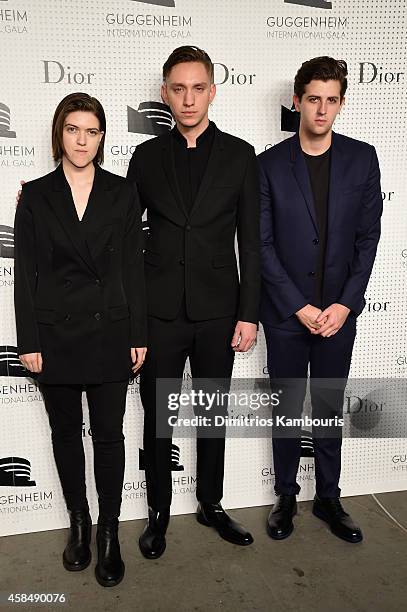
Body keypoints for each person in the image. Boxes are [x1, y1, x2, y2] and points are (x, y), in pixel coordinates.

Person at [127, 46, 260, 558]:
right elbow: (116, 222)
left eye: (197, 88)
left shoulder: (239, 155)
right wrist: (51, 195)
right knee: (158, 417)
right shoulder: (146, 157)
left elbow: (250, 241)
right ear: (165, 93)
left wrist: (249, 313)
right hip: (159, 312)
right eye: (177, 89)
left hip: (218, 312)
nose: (188, 99)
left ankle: (210, 502)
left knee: (211, 414)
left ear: (212, 90)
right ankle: (158, 511)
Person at [14, 93, 147, 587]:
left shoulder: (122, 191)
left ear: (102, 137)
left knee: (110, 439)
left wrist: (138, 332)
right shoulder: (37, 194)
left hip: (111, 333)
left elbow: (133, 267)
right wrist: (29, 339)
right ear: (59, 134)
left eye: (91, 131)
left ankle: (109, 532)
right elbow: (26, 273)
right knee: (67, 436)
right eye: (73, 129)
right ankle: (79, 524)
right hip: (55, 336)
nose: (81, 140)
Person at [258, 57, 382, 543]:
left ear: (342, 103)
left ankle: (329, 496)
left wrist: (345, 305)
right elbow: (261, 246)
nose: (322, 109)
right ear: (297, 102)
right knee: (287, 406)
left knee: (328, 405)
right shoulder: (268, 164)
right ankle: (285, 496)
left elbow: (368, 239)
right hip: (288, 315)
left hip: (339, 314)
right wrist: (298, 306)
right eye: (314, 99)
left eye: (332, 100)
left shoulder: (362, 158)